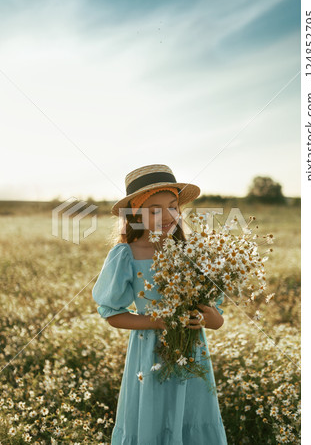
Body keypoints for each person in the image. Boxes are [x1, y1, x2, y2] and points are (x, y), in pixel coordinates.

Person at [92, 164, 228, 444]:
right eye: (154, 210)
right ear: (135, 215)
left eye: (173, 206)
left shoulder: (193, 251)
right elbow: (112, 314)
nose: (167, 216)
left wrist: (204, 318)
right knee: (153, 422)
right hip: (150, 356)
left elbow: (218, 320)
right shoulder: (126, 254)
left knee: (192, 419)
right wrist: (157, 321)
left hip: (194, 355)